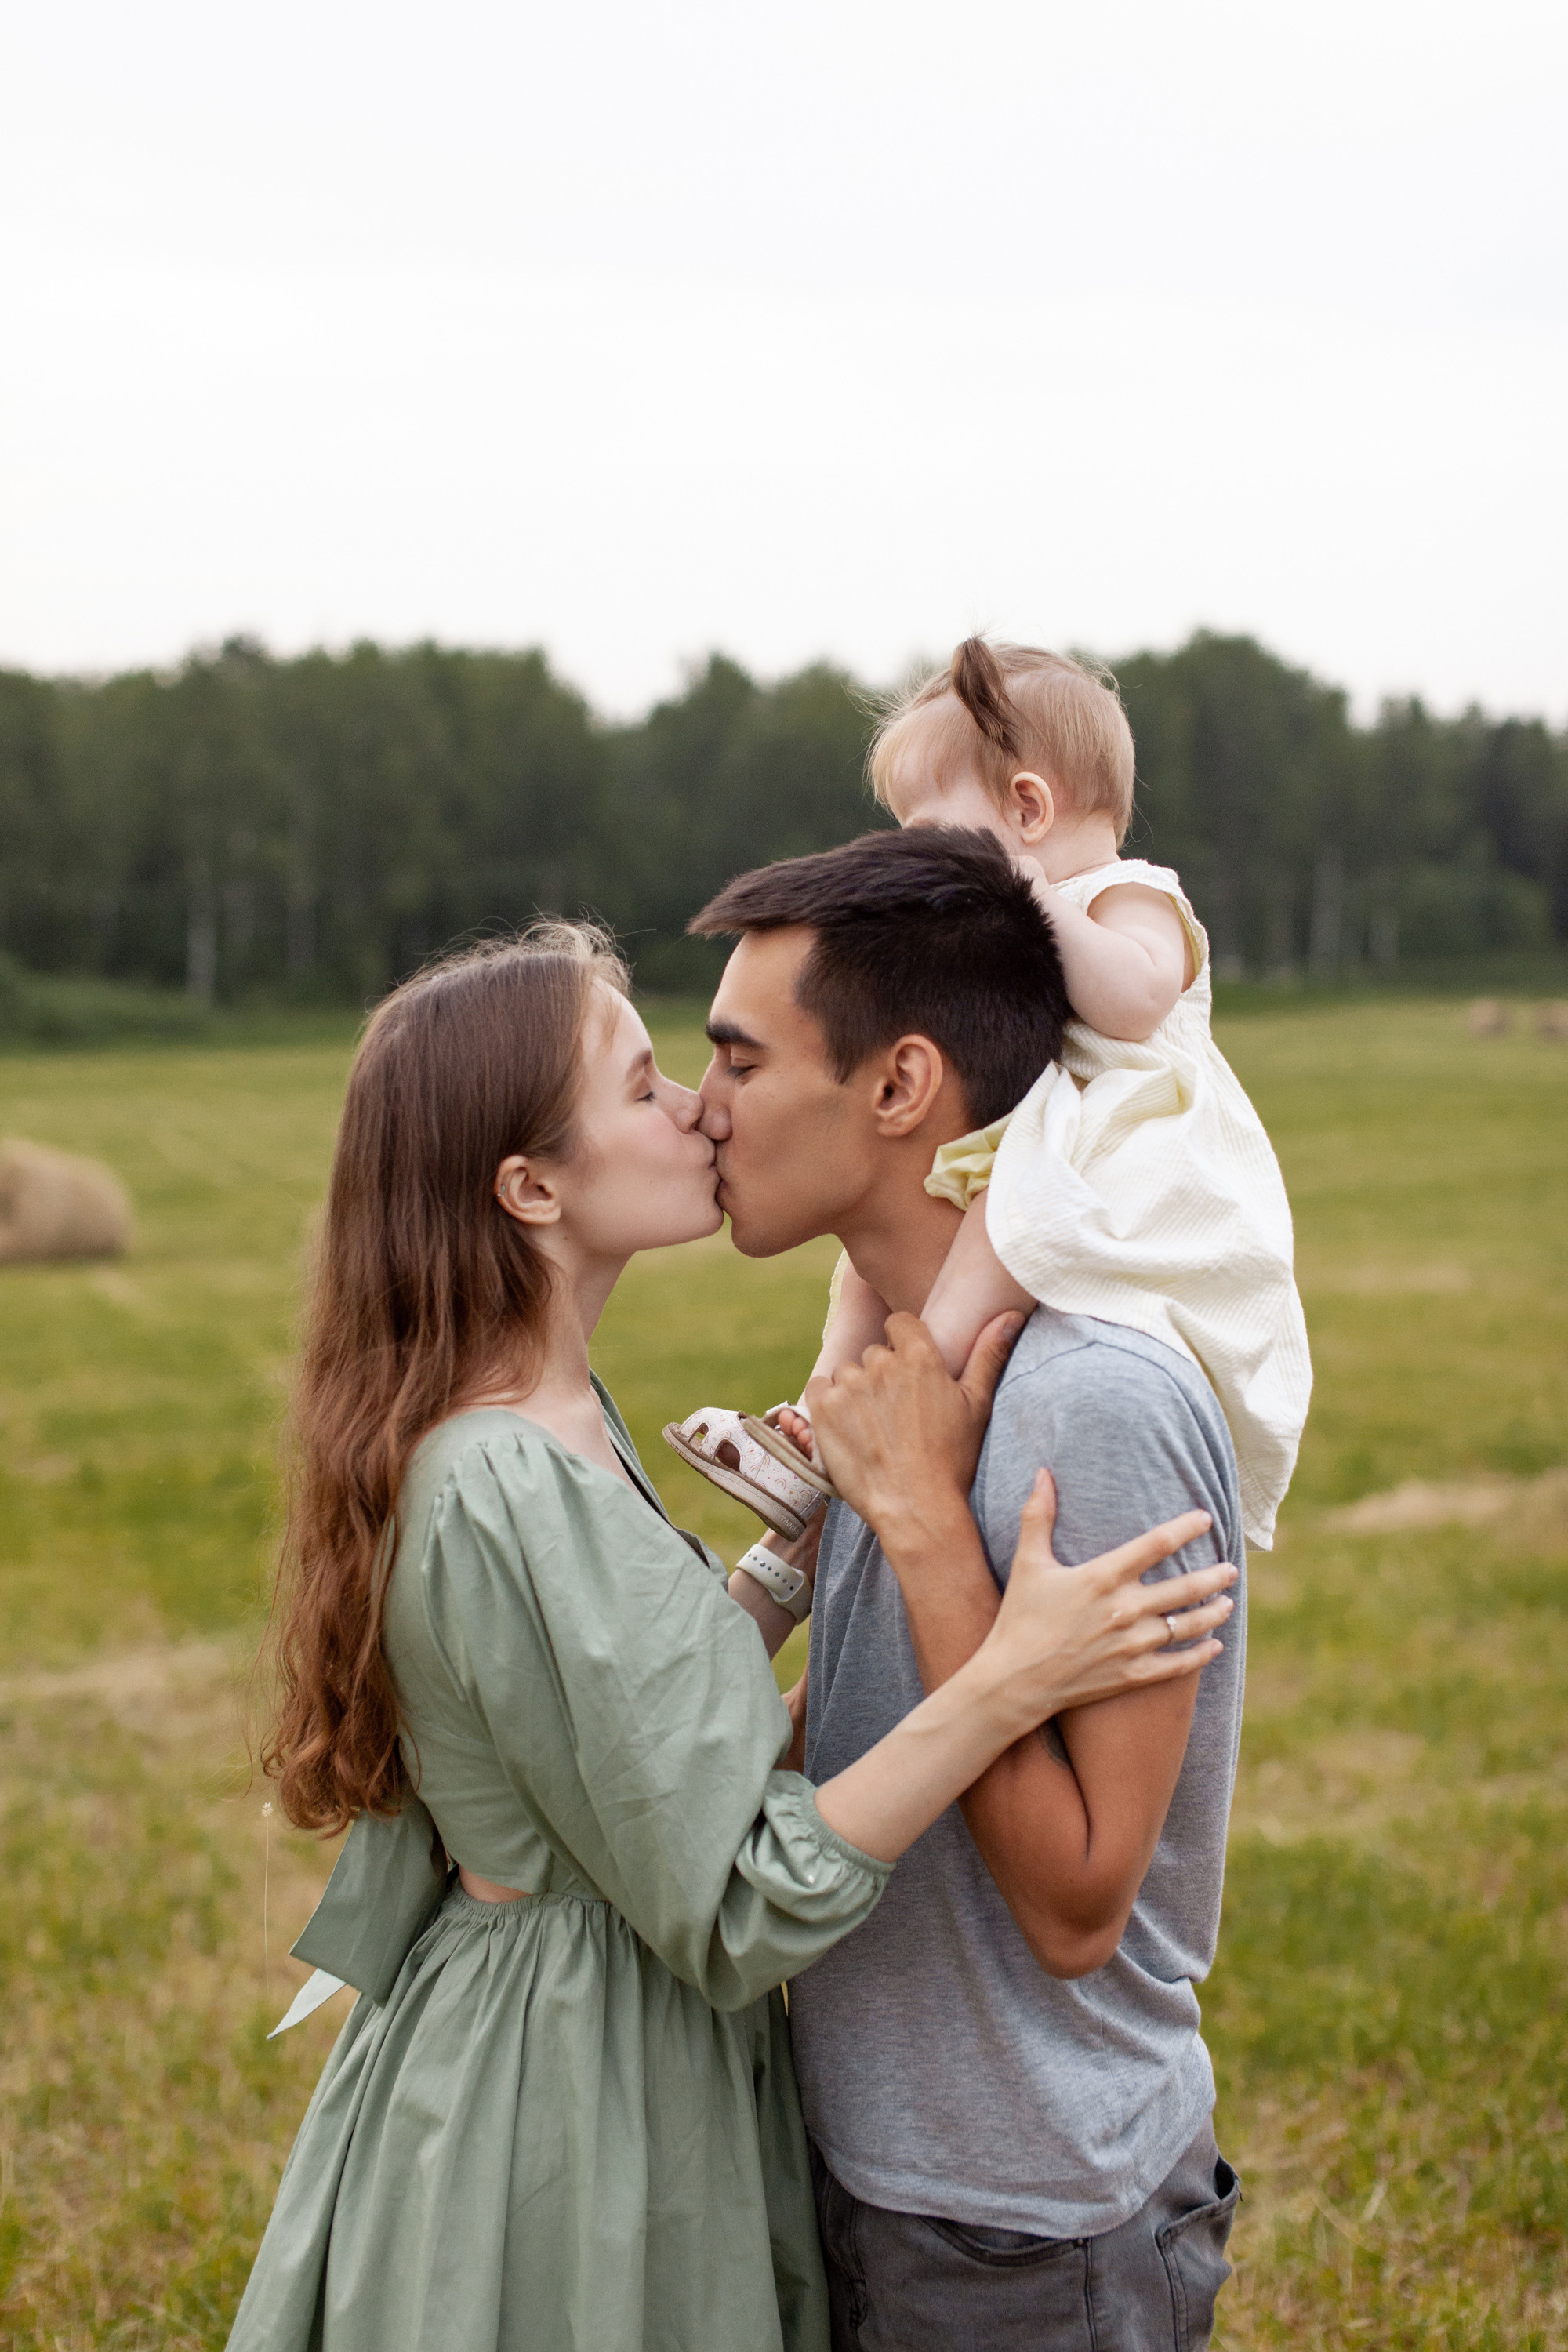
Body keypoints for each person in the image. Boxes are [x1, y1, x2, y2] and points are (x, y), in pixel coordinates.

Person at [228, 923, 1235, 2352]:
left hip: (600, 2032)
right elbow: (742, 1893)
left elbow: (626, 1726)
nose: (700, 1106)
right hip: (562, 2091)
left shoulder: (551, 1420)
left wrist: (789, 1557)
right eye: (645, 1087)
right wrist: (1012, 1673)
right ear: (529, 1187)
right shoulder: (507, 1470)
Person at [690, 826, 1250, 2350]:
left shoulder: (1093, 1399)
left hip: (1030, 2228)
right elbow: (873, 1736)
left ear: (897, 1087)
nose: (701, 1107)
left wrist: (927, 1528)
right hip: (868, 2176)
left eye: (739, 1062)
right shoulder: (902, 1363)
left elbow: (1077, 1905)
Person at [670, 636, 1309, 1553]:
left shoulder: (1130, 895)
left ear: (1025, 807)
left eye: (924, 831)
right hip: (1034, 1123)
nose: (910, 853)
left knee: (1006, 1218)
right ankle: (820, 1411)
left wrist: (1031, 896)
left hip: (1109, 1133)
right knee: (862, 1263)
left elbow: (1132, 1006)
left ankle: (920, 1379)